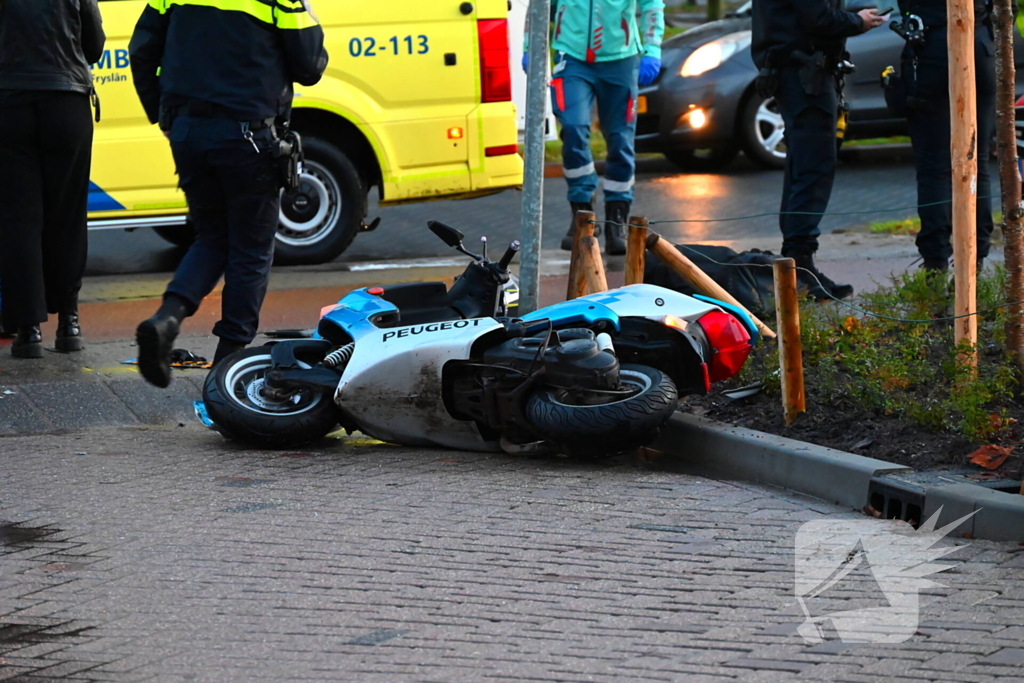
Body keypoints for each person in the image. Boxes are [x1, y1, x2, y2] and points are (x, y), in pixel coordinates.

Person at [129, 0, 328, 388]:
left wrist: (163, 115)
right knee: (251, 249)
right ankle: (227, 367)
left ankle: (167, 318)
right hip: (247, 133)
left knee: (212, 237)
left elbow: (141, 51)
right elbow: (310, 67)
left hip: (187, 130)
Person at [752, 0, 886, 299]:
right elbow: (818, 18)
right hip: (805, 74)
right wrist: (857, 22)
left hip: (798, 71)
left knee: (802, 165)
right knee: (814, 168)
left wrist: (850, 16)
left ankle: (795, 264)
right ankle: (800, 267)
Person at [0, 0, 105, 358]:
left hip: (9, 104)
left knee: (19, 220)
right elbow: (94, 46)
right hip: (66, 102)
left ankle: (28, 330)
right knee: (68, 217)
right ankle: (69, 322)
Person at [524, 0, 665, 255]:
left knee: (620, 141)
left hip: (621, 60)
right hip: (572, 58)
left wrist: (652, 48)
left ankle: (616, 223)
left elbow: (652, 4)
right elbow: (538, 7)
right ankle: (583, 217)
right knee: (573, 129)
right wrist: (530, 46)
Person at [894, 0, 996, 273]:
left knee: (934, 167)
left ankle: (936, 266)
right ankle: (976, 263)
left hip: (933, 47)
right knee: (977, 161)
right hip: (979, 42)